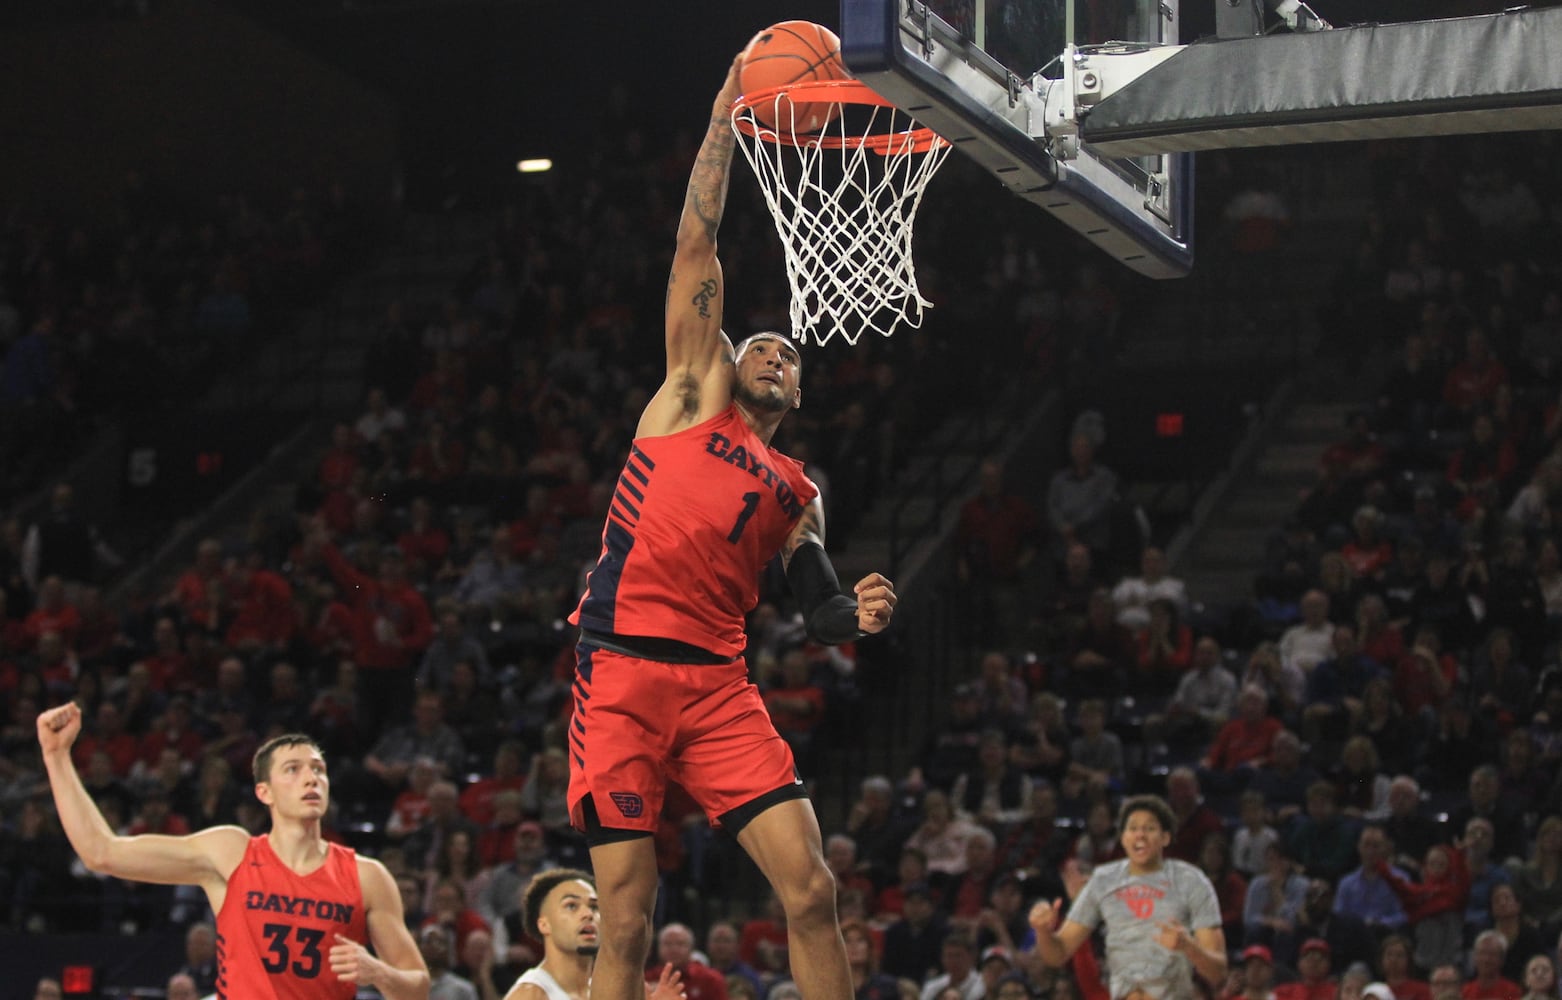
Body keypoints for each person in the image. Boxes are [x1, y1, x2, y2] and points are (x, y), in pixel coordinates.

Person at [563, 56, 897, 1000]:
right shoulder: (684, 398)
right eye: (762, 343)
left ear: (800, 388)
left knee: (811, 885)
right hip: (621, 668)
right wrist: (722, 121)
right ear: (726, 356)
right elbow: (694, 246)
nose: (779, 354)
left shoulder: (800, 492)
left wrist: (855, 619)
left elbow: (817, 608)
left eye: (792, 354)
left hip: (717, 688)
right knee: (626, 915)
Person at [37, 703, 431, 1000]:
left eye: (318, 769)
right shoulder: (231, 852)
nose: (311, 777)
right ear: (265, 793)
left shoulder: (366, 876)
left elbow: (418, 987)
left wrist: (379, 973)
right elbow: (101, 852)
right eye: (293, 769)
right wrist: (56, 758)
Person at [1029, 795, 1227, 1000]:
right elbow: (1058, 953)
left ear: (1165, 837)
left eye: (1149, 828)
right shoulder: (1103, 879)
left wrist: (1188, 947)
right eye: (1132, 829)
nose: (1140, 835)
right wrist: (1042, 931)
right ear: (1123, 838)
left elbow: (1218, 972)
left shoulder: (1191, 880)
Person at [499, 868, 683, 1000]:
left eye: (594, 906)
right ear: (544, 924)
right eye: (571, 906)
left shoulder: (602, 991)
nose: (588, 914)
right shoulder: (531, 993)